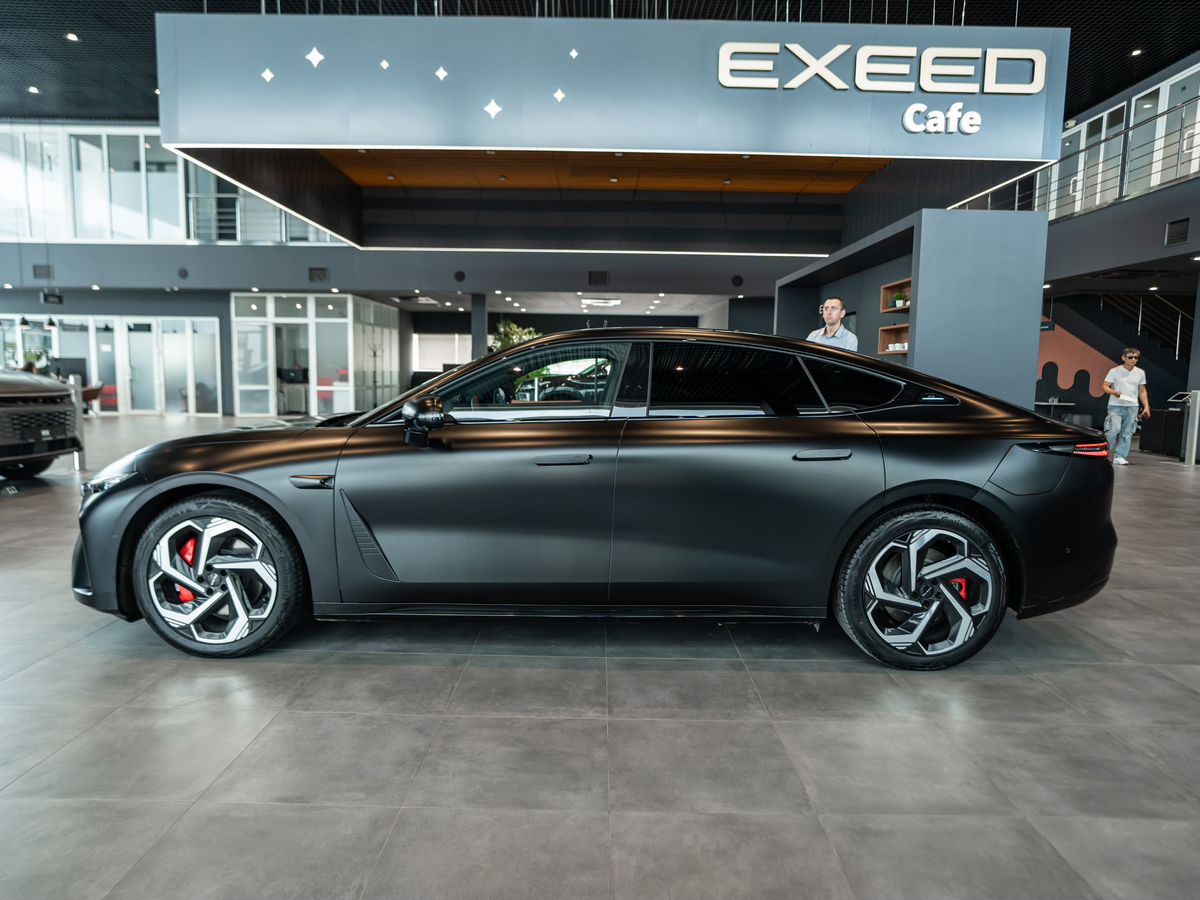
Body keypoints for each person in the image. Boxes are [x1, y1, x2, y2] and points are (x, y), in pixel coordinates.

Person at [1102, 347, 1150, 466]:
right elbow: (1105, 386)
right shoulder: (1114, 371)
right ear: (1123, 358)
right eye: (1130, 357)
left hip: (1132, 406)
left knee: (1127, 432)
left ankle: (1120, 456)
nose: (1133, 359)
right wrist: (1113, 392)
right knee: (1113, 430)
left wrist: (1146, 406)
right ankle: (1103, 454)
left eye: (1136, 357)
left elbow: (1142, 390)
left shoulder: (1140, 372)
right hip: (1115, 405)